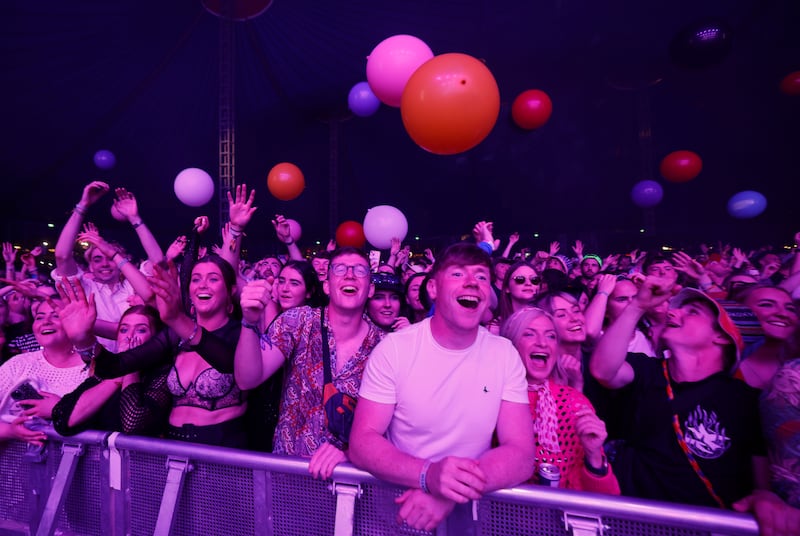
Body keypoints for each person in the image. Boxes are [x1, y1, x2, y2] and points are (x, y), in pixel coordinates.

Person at [589, 276, 800, 534]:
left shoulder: (744, 400)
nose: (673, 313)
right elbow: (603, 370)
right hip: (629, 521)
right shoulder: (647, 371)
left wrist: (766, 497)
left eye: (692, 312)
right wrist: (637, 306)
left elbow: (761, 482)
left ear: (722, 336)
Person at [349, 243, 534, 532]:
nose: (472, 282)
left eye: (481, 276)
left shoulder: (504, 354)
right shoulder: (395, 350)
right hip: (401, 514)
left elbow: (521, 454)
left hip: (470, 519)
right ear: (433, 288)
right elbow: (362, 442)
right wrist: (429, 475)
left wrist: (448, 491)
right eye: (458, 274)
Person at [59, 255, 248, 448]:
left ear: (231, 290)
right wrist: (84, 339)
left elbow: (228, 362)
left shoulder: (242, 333)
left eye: (213, 279)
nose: (202, 285)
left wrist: (177, 319)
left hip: (222, 448)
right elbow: (116, 366)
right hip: (174, 448)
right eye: (196, 279)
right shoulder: (173, 336)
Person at [234, 247, 384, 477]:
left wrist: (351, 453)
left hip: (351, 479)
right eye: (340, 269)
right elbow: (247, 379)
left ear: (371, 289)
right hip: (288, 472)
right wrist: (249, 322)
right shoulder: (297, 321)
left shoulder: (384, 346)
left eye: (360, 270)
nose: (350, 275)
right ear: (326, 286)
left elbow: (387, 427)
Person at [500, 307, 619, 494]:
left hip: (559, 511)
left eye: (551, 336)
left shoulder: (572, 403)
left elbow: (607, 498)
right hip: (499, 509)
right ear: (511, 344)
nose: (542, 343)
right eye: (529, 334)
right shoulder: (492, 395)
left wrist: (594, 455)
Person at [52, 181, 153, 351]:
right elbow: (62, 256)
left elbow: (157, 261)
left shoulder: (133, 286)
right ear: (90, 266)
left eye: (110, 258)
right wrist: (83, 205)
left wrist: (135, 218)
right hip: (97, 362)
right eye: (97, 259)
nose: (105, 264)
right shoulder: (85, 288)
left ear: (119, 261)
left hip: (142, 360)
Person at [51, 305, 166, 436]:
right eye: (124, 330)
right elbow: (65, 420)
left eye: (141, 330)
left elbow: (132, 423)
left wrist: (132, 366)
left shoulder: (162, 375)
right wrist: (121, 369)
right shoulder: (106, 371)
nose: (130, 336)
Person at [0, 299, 90, 446]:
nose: (46, 322)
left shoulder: (94, 367)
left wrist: (60, 409)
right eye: (39, 317)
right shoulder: (19, 364)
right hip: (14, 459)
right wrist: (11, 431)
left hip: (79, 458)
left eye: (56, 316)